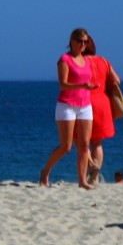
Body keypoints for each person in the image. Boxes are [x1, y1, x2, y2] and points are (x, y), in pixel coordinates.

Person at [39, 28, 98, 189]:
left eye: (86, 42)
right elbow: (63, 84)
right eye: (80, 41)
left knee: (85, 145)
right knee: (66, 146)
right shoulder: (64, 60)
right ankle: (45, 171)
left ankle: (82, 181)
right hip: (67, 105)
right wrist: (81, 85)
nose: (83, 45)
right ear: (72, 41)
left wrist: (91, 87)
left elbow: (86, 80)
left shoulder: (86, 60)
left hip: (85, 105)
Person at [83, 35, 122, 187]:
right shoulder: (104, 61)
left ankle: (89, 168)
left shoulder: (81, 62)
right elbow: (117, 80)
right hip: (103, 104)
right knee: (97, 143)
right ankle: (95, 176)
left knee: (82, 141)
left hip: (86, 102)